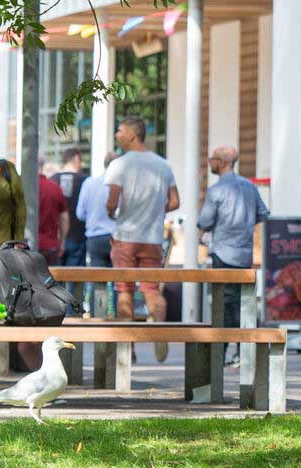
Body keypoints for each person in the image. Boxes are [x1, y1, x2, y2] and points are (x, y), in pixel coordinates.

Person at [104, 116, 179, 363]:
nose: (117, 135)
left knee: (124, 290)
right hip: (152, 238)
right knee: (151, 290)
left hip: (125, 237)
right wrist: (155, 213)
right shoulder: (163, 165)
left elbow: (112, 203)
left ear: (133, 135)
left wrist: (112, 213)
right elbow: (175, 202)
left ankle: (128, 347)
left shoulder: (120, 165)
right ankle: (159, 334)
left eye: (120, 131)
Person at [198, 146, 270, 366]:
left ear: (222, 162)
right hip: (244, 251)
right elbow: (263, 214)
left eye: (212, 159)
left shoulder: (216, 190)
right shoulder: (249, 186)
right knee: (244, 301)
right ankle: (243, 351)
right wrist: (245, 228)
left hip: (223, 252)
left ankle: (222, 350)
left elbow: (205, 222)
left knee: (224, 302)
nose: (209, 163)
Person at [76, 152, 119, 315]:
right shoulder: (120, 186)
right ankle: (116, 320)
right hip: (116, 238)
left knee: (97, 281)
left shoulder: (89, 183)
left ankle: (97, 320)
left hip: (94, 239)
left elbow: (80, 213)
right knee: (118, 283)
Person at [51, 148, 87, 266]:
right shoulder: (85, 181)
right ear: (76, 159)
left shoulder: (53, 180)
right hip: (79, 237)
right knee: (76, 279)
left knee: (56, 280)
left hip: (55, 238)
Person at [38, 159, 69, 266]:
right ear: (42, 166)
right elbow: (64, 219)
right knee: (50, 282)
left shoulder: (20, 188)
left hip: (25, 248)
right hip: (50, 247)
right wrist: (62, 241)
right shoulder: (54, 188)